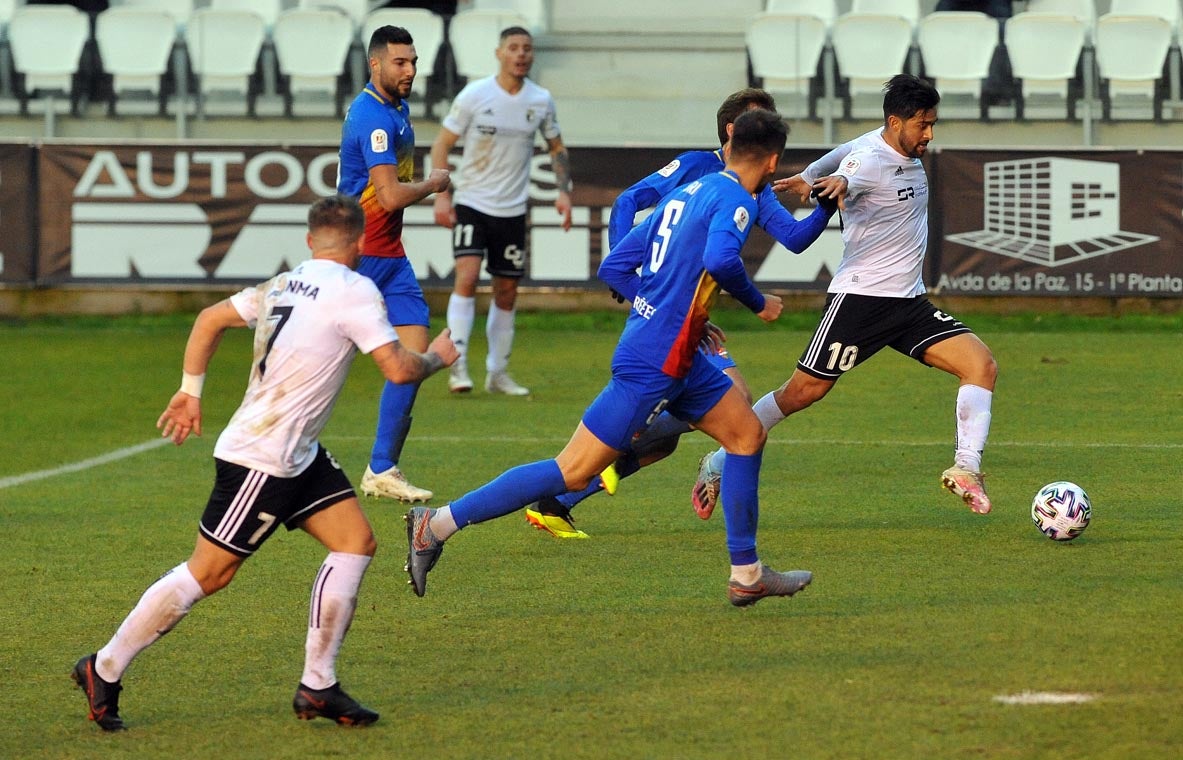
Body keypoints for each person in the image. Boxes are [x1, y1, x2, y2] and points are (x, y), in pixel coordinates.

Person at [71, 196, 459, 732]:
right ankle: (104, 666)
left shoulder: (283, 282)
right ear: (363, 243)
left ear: (309, 240)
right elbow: (397, 369)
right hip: (262, 458)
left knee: (355, 542)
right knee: (209, 573)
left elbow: (209, 319)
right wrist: (438, 356)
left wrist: (190, 392)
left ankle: (317, 685)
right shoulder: (356, 290)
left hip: (297, 455)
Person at [404, 109, 813, 607]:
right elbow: (722, 261)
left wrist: (666, 307)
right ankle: (436, 524)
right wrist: (758, 303)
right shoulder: (735, 200)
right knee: (573, 470)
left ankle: (746, 574)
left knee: (746, 434)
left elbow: (616, 263)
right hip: (655, 362)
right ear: (772, 161)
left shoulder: (686, 194)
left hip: (675, 356)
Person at [523, 88, 836, 539]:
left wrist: (826, 206)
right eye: (758, 123)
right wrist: (631, 280)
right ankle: (600, 467)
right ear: (734, 130)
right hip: (661, 318)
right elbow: (627, 202)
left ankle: (565, 494)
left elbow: (794, 237)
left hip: (691, 321)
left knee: (664, 443)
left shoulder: (754, 186)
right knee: (733, 404)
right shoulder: (695, 166)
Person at [692, 74, 999, 519]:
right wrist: (833, 185)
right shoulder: (869, 161)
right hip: (859, 303)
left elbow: (844, 150)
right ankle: (719, 461)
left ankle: (966, 468)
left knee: (981, 365)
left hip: (908, 304)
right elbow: (850, 172)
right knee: (801, 394)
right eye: (922, 125)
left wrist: (810, 173)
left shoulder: (879, 140)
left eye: (932, 124)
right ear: (897, 122)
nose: (928, 135)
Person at [339, 25, 452, 504]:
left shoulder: (397, 110)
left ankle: (382, 468)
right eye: (400, 63)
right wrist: (433, 184)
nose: (409, 70)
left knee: (412, 355)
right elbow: (386, 197)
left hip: (391, 257)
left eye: (413, 61)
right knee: (323, 359)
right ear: (375, 64)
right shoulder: (374, 118)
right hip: (358, 255)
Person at [431, 25, 573, 396]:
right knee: (467, 276)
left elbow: (556, 147)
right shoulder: (476, 95)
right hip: (472, 202)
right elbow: (441, 145)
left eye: (527, 48)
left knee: (507, 291)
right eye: (514, 47)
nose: (521, 54)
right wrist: (442, 195)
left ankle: (497, 373)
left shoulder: (540, 100)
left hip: (511, 210)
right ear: (499, 53)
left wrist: (563, 192)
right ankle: (457, 365)